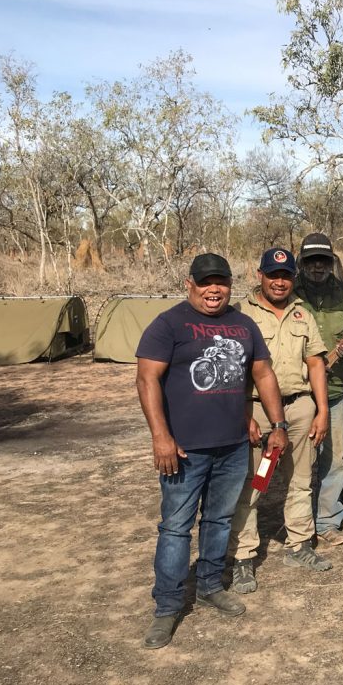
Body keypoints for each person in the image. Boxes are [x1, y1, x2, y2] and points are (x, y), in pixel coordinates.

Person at [136, 253, 287, 650]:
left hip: (234, 446)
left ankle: (207, 586)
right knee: (175, 528)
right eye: (205, 282)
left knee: (219, 521)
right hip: (184, 450)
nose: (214, 289)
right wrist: (160, 437)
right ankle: (167, 607)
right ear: (190, 284)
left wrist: (278, 424)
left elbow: (263, 374)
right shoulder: (169, 323)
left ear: (230, 285)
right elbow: (147, 378)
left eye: (220, 281)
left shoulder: (243, 324)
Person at [228, 248, 332, 594]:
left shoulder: (302, 312)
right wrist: (244, 414)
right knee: (252, 484)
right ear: (260, 275)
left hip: (300, 407)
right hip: (256, 409)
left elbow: (316, 362)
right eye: (273, 275)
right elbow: (235, 370)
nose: (279, 282)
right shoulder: (241, 313)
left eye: (286, 275)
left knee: (301, 479)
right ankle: (243, 556)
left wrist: (322, 410)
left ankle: (299, 545)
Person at [294, 232, 343, 548]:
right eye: (312, 260)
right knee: (287, 462)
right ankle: (288, 524)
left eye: (323, 259)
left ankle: (325, 521)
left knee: (334, 460)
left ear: (331, 261)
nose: (318, 265)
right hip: (294, 392)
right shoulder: (289, 292)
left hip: (334, 389)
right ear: (303, 262)